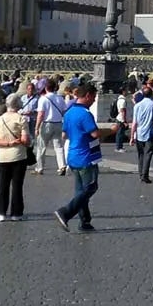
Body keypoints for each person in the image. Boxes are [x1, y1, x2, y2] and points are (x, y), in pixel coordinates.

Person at [53, 82, 106, 232]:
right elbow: (95, 134)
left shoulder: (69, 112)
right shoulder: (85, 114)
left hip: (73, 155)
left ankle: (85, 222)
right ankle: (66, 212)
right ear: (87, 95)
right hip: (86, 157)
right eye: (94, 97)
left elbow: (64, 134)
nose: (94, 100)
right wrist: (112, 130)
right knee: (91, 187)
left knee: (80, 191)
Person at [0, 94, 31, 223]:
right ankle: (16, 213)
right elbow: (25, 140)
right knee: (17, 186)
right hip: (18, 156)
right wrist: (22, 142)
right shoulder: (21, 119)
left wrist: (7, 143)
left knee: (3, 185)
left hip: (2, 156)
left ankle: (1, 212)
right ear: (18, 104)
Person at [35, 78, 69, 177]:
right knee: (58, 147)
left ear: (45, 88)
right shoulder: (60, 98)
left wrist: (37, 127)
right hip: (58, 123)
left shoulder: (43, 99)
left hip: (47, 124)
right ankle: (62, 166)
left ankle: (39, 168)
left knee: (41, 147)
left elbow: (40, 114)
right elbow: (64, 112)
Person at [131, 86, 153, 183]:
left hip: (139, 133)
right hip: (150, 132)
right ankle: (144, 175)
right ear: (151, 94)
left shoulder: (137, 105)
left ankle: (141, 174)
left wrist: (131, 136)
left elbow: (134, 123)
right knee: (148, 154)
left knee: (141, 155)